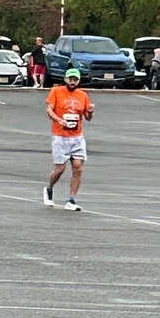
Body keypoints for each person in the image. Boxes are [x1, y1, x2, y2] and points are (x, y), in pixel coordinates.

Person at [43, 68, 94, 212]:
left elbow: (87, 117)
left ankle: (71, 199)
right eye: (70, 79)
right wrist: (59, 120)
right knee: (60, 169)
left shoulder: (82, 95)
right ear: (65, 79)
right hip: (60, 136)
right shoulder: (56, 91)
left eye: (75, 79)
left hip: (77, 137)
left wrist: (90, 112)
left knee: (78, 167)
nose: (73, 82)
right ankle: (49, 187)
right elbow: (49, 110)